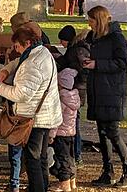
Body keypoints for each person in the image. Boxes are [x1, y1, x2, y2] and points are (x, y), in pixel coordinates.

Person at [0, 27, 62, 192]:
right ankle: (42, 187)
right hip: (46, 115)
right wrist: (5, 71)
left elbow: (21, 94)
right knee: (42, 157)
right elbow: (17, 62)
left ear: (28, 43)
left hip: (35, 119)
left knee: (33, 159)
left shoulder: (33, 64)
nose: (16, 50)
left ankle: (37, 188)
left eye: (17, 46)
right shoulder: (40, 52)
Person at [84, 6, 127, 188]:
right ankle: (108, 171)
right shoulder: (94, 38)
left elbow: (122, 63)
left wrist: (97, 64)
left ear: (98, 20)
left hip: (112, 91)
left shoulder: (116, 39)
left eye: (91, 20)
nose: (88, 24)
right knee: (102, 134)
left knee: (113, 133)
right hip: (98, 90)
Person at [55, 25, 89, 166]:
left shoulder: (77, 51)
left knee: (72, 123)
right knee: (72, 122)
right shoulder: (75, 49)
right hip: (76, 89)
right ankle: (75, 154)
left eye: (62, 40)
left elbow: (78, 67)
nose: (61, 43)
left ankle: (76, 154)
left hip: (75, 90)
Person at [49, 68, 80, 192]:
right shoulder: (74, 97)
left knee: (62, 159)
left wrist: (51, 135)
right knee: (70, 158)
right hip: (71, 132)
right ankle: (72, 181)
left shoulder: (61, 99)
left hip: (61, 133)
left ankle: (64, 184)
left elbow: (57, 120)